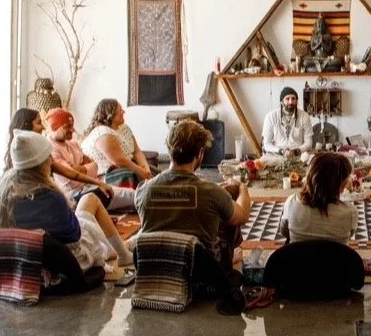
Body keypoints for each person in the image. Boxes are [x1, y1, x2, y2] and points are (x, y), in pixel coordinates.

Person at [0, 130, 135, 270]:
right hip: (59, 263)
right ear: (42, 163)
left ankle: (123, 248)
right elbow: (74, 234)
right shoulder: (49, 195)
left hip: (15, 262)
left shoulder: (0, 189)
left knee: (89, 202)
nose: (51, 160)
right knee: (91, 200)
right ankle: (124, 252)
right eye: (49, 156)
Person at [137, 120, 252, 272]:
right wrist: (242, 188)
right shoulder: (212, 193)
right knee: (227, 207)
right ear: (199, 153)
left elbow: (177, 198)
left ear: (169, 149)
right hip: (201, 274)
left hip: (156, 268)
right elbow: (243, 215)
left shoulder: (143, 191)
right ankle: (228, 258)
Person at [46, 108, 134, 211]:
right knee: (120, 195)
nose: (72, 130)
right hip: (74, 196)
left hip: (91, 185)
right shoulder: (50, 149)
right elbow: (71, 178)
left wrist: (81, 169)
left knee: (132, 194)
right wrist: (85, 169)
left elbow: (94, 166)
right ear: (54, 127)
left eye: (72, 126)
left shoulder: (73, 144)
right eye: (67, 127)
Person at [280, 152, 356, 245]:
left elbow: (284, 231)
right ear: (341, 184)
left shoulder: (292, 202)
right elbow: (350, 235)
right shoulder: (351, 212)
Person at [80, 99, 153, 188]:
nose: (123, 112)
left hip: (128, 167)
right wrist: (141, 172)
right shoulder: (102, 132)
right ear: (111, 115)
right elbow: (118, 160)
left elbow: (136, 151)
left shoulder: (124, 128)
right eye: (120, 110)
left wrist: (146, 169)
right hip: (110, 173)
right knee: (140, 180)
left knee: (156, 175)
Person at [261, 87, 313, 157]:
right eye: (287, 99)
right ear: (281, 101)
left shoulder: (304, 116)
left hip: (299, 155)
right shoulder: (271, 117)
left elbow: (309, 142)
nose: (291, 102)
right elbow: (266, 144)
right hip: (276, 155)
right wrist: (281, 151)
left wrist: (297, 151)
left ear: (297, 101)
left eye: (293, 99)